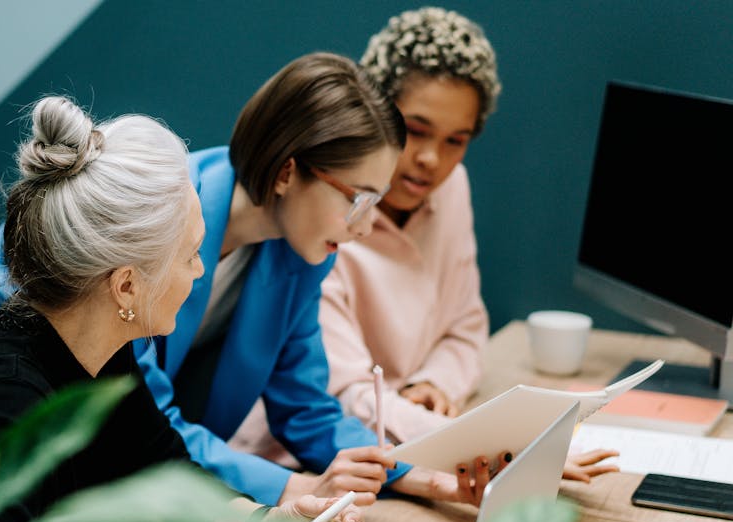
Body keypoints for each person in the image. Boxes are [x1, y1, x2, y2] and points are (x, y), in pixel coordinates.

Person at [0, 52, 503, 507]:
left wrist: (426, 477)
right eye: (357, 197)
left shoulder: (302, 252)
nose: (363, 225)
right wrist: (292, 491)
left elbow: (307, 408)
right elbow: (160, 424)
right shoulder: (159, 240)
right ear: (290, 170)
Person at [0, 94, 360, 522]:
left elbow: (163, 477)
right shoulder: (4, 400)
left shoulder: (102, 353)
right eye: (190, 255)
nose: (198, 272)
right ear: (126, 285)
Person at [235, 7, 618, 482]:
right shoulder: (321, 218)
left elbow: (465, 324)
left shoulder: (451, 188)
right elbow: (340, 396)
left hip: (403, 444)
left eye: (456, 140)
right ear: (375, 115)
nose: (432, 161)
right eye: (415, 131)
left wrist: (433, 383)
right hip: (305, 463)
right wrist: (492, 444)